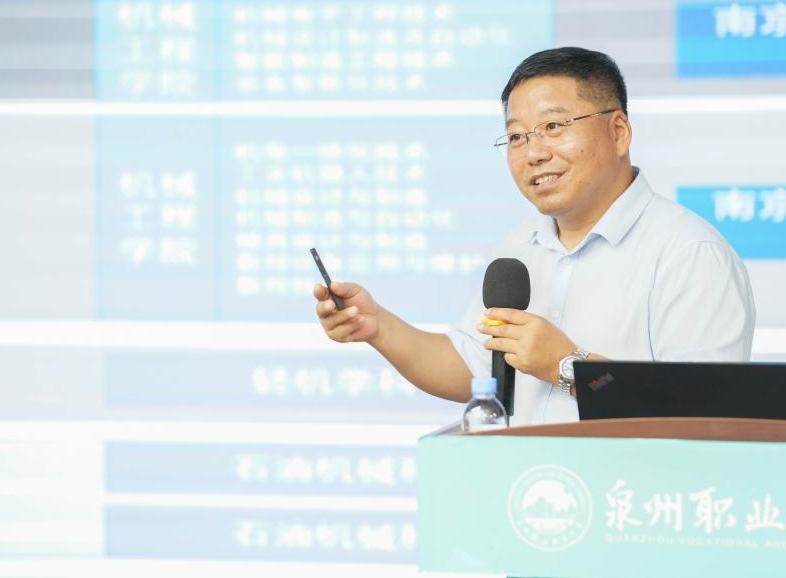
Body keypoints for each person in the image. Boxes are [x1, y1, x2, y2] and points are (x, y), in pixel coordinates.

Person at [314, 47, 755, 425]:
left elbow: (704, 408)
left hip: (632, 497)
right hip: (528, 491)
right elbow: (473, 369)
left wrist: (567, 366)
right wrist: (378, 327)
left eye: (553, 127)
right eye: (516, 136)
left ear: (618, 132)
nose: (534, 153)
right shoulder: (519, 248)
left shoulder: (690, 253)